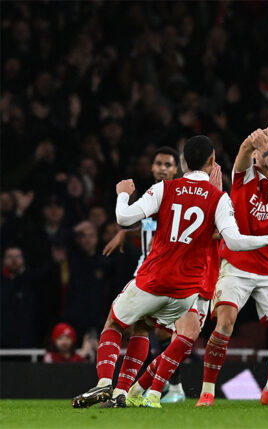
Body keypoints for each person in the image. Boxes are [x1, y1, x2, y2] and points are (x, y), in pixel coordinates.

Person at [72, 134, 268, 409]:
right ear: (212, 161)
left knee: (116, 323)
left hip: (153, 278)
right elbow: (235, 241)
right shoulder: (219, 198)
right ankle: (129, 393)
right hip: (186, 291)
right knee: (162, 332)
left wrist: (121, 194)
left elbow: (124, 218)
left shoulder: (164, 188)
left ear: (182, 162)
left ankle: (106, 384)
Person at [196, 117, 268, 408]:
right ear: (255, 154)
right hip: (237, 266)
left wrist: (267, 148)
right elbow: (244, 147)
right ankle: (207, 391)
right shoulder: (243, 176)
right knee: (225, 324)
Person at [102, 146, 193, 404]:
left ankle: (171, 386)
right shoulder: (153, 195)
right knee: (139, 329)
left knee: (160, 333)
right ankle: (132, 389)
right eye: (159, 164)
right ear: (152, 167)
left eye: (168, 165)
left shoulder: (176, 195)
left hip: (164, 273)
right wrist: (126, 233)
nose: (163, 168)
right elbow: (151, 225)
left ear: (176, 169)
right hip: (147, 269)